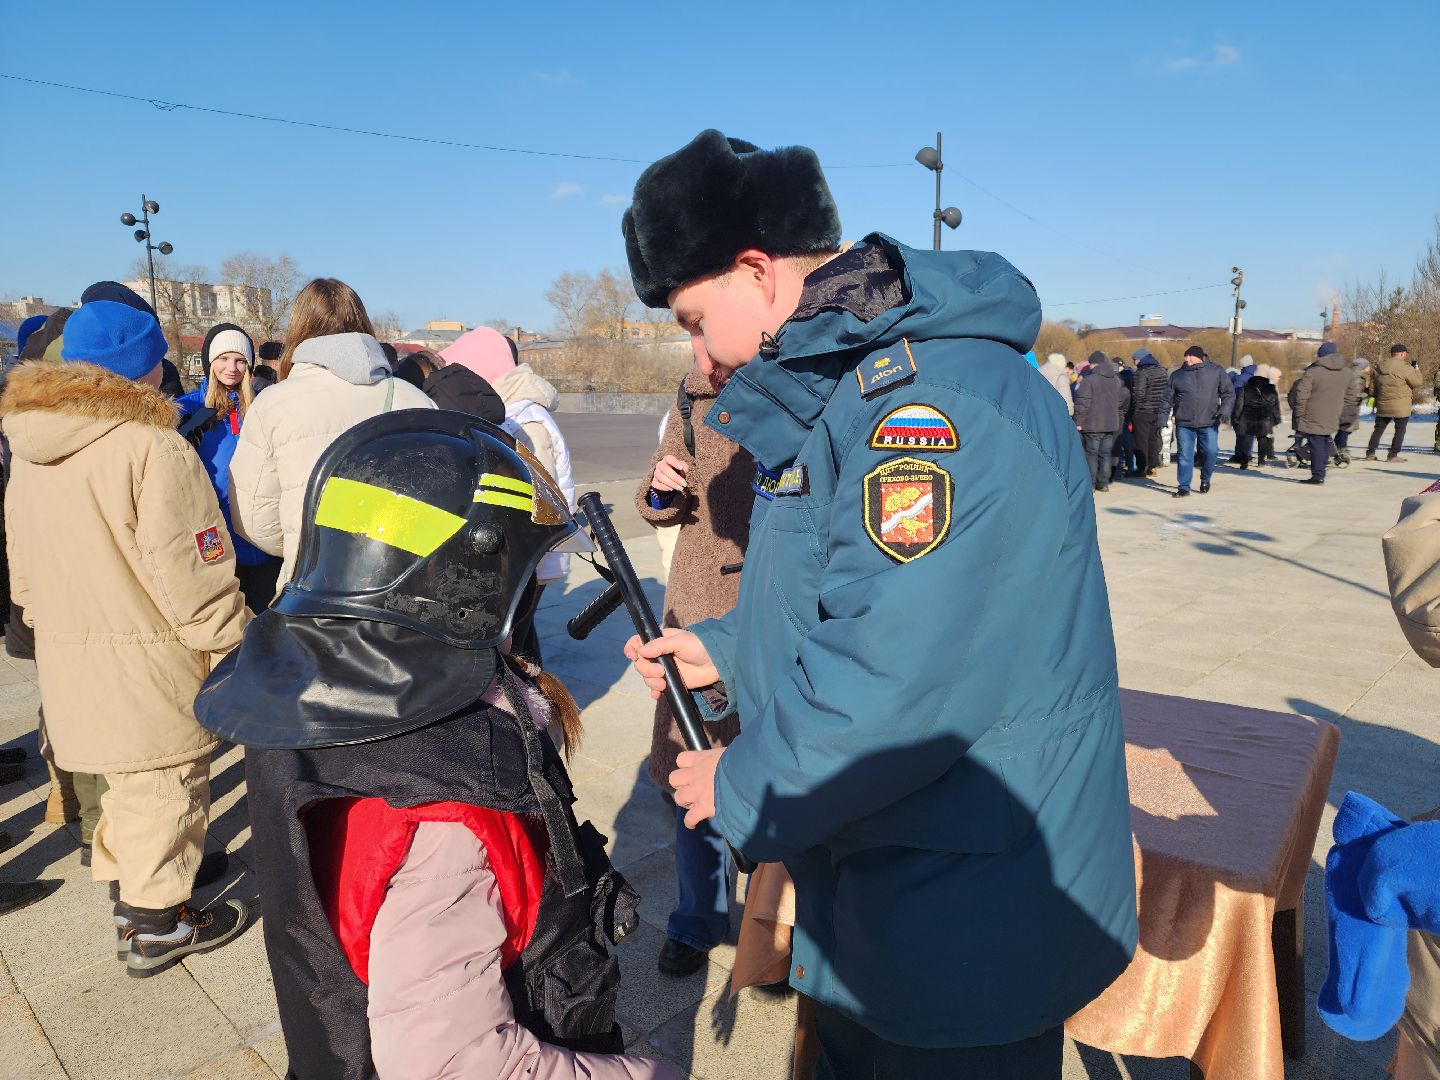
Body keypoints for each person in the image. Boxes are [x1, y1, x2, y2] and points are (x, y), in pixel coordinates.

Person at [619, 130, 1137, 1079]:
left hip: (965, 915)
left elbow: (897, 674)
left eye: (694, 320)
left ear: (755, 270)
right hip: (900, 881)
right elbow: (847, 596)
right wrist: (726, 651)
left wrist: (737, 786)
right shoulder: (843, 398)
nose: (696, 355)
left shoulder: (933, 411)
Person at [195, 409, 673, 1080]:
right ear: (474, 584)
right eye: (529, 572)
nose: (540, 589)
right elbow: (449, 1062)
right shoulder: (451, 806)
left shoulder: (318, 709)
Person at [1, 300, 252, 974]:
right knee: (167, 787)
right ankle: (154, 926)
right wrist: (239, 642)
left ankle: (134, 896)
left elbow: (21, 578)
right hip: (148, 656)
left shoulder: (30, 447)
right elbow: (193, 576)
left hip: (70, 649)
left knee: (126, 786)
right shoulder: (153, 447)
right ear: (148, 368)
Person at [635, 368, 753, 978]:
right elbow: (660, 505)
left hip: (772, 609)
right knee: (689, 765)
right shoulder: (689, 394)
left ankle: (772, 929)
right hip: (695, 608)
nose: (699, 350)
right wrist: (659, 488)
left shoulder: (809, 386)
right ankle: (696, 920)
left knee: (772, 770)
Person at [228, 278, 435, 590]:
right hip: (406, 593)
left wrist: (307, 543)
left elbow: (253, 519)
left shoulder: (273, 403)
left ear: (298, 329)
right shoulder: (419, 401)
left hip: (313, 593)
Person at [440, 327, 573, 663]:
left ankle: (532, 711)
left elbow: (540, 491)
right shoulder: (517, 411)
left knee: (518, 644)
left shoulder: (524, 418)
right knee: (522, 639)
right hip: (529, 552)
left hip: (529, 551)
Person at [176, 324, 284, 613]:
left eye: (239, 360)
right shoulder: (187, 410)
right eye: (223, 359)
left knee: (263, 619)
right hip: (214, 536)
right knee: (225, 621)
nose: (231, 368)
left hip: (260, 536)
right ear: (210, 362)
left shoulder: (264, 406)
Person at [1159, 344, 1234, 498]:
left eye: (1190, 357)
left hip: (1209, 421)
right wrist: (1162, 418)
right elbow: (1166, 399)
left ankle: (1205, 478)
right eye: (1185, 357)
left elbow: (1228, 393)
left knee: (1211, 452)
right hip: (1184, 423)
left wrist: (1225, 411)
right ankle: (1184, 487)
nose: (1187, 360)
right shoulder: (1178, 375)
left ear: (1199, 357)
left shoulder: (1215, 371)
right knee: (1185, 456)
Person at [1292, 342, 1362, 485]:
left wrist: (1299, 413)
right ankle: (1321, 471)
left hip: (1313, 413)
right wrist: (1344, 411)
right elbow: (1351, 396)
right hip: (1334, 413)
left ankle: (1318, 475)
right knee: (1324, 441)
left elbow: (1301, 394)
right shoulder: (1347, 372)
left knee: (1316, 443)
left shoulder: (1313, 371)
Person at [1073, 351, 1129, 492]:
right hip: (1110, 424)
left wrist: (1078, 422)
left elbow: (1082, 404)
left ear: (1093, 364)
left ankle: (1091, 484)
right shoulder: (1116, 380)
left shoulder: (1089, 381)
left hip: (1092, 424)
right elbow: (1123, 396)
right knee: (1105, 454)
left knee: (1091, 454)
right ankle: (1103, 483)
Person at [1368, 343, 1422, 462]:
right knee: (1400, 429)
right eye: (1405, 354)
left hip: (1383, 403)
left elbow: (1375, 385)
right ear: (1402, 353)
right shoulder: (1405, 367)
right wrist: (1416, 370)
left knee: (1378, 429)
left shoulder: (1380, 366)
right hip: (1400, 405)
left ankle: (1370, 453)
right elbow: (1417, 383)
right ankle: (1392, 455)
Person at [1232, 364, 1282, 468]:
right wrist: (1276, 418)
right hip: (1265, 417)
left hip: (1248, 416)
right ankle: (1261, 460)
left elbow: (1240, 402)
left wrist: (1237, 415)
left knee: (1247, 438)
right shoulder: (1270, 387)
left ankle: (1244, 461)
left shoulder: (1246, 386)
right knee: (1262, 439)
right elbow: (1275, 404)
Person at [1129, 349, 1167, 477]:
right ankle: (1152, 466)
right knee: (1154, 439)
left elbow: (1138, 394)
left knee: (1141, 441)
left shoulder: (1141, 372)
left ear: (1139, 359)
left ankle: (1141, 468)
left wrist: (1135, 409)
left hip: (1143, 411)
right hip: (1158, 410)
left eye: (1134, 360)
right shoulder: (1162, 370)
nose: (1134, 363)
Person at [1336, 358, 1369, 465]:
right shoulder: (1356, 376)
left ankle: (1338, 446)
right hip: (1349, 406)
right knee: (1346, 428)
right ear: (1363, 367)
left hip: (1350, 405)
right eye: (1368, 366)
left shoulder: (1356, 374)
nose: (1370, 368)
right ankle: (1341, 448)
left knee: (1347, 428)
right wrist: (1366, 394)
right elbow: (1353, 393)